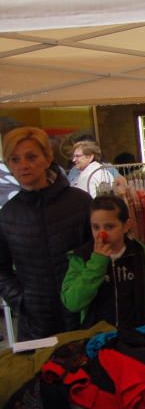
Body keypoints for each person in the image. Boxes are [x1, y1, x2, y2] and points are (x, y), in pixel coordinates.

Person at [0, 127, 92, 340]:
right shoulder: (9, 214)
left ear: (47, 157)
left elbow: (97, 253)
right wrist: (21, 301)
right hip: (35, 324)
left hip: (82, 316)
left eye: (31, 157)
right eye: (15, 159)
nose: (23, 165)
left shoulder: (79, 202)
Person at [61, 195, 145, 329]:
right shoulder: (80, 257)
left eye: (109, 227)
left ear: (126, 226)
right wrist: (97, 263)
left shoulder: (142, 253)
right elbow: (72, 302)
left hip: (138, 335)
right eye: (96, 227)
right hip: (97, 339)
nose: (101, 234)